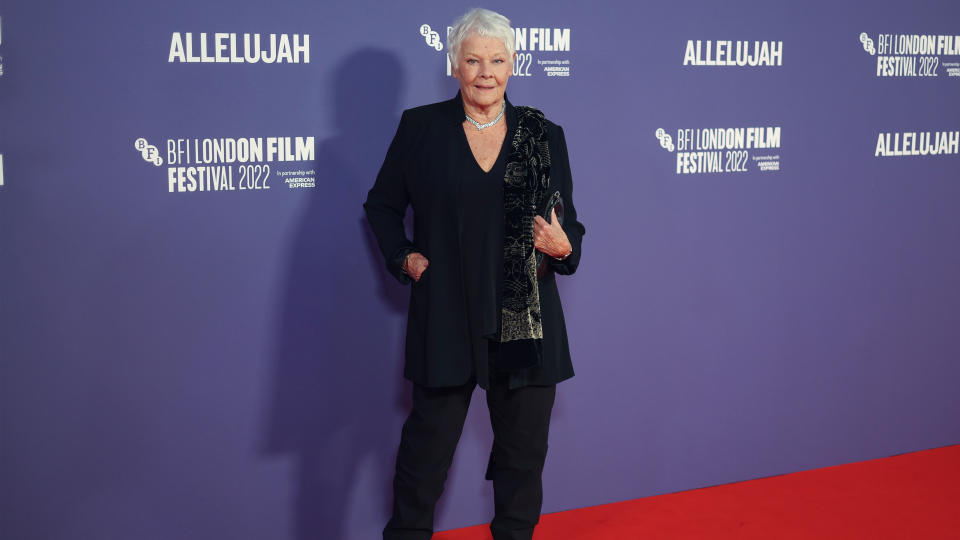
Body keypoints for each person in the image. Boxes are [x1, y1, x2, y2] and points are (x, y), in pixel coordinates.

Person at [363, 7, 585, 540]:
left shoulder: (543, 133)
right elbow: (382, 206)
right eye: (473, 59)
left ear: (513, 66)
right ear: (454, 65)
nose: (486, 71)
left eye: (497, 60)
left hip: (524, 322)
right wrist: (404, 257)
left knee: (521, 463)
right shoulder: (421, 128)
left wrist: (563, 246)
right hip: (446, 317)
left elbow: (570, 227)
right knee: (422, 464)